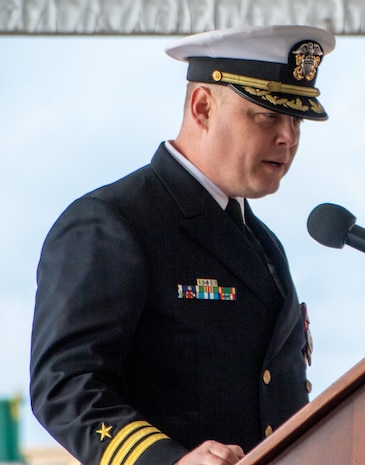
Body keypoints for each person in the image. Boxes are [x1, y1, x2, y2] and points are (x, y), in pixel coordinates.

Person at [30, 25, 335, 465]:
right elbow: (65, 387)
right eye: (267, 115)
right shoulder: (112, 222)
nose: (288, 136)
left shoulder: (265, 245)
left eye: (296, 119)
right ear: (203, 107)